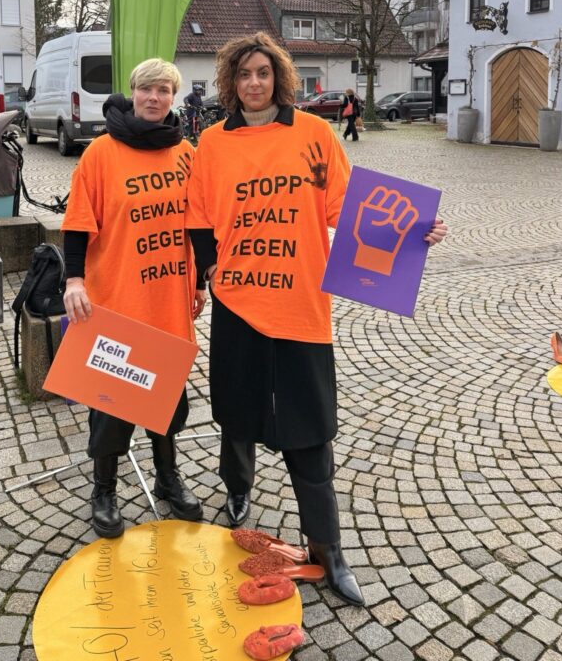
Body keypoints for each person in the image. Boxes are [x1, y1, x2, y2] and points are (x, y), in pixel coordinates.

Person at [186, 32, 446, 606]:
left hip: (301, 305)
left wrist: (409, 234)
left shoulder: (314, 135)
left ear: (280, 77)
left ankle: (327, 548)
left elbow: (350, 212)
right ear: (231, 82)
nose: (255, 83)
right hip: (237, 303)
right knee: (236, 414)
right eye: (245, 74)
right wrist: (208, 271)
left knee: (310, 433)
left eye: (264, 73)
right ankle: (238, 491)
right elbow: (198, 219)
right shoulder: (210, 144)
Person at [61, 58, 207, 538]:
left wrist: (201, 283)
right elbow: (79, 223)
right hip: (118, 298)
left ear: (173, 98)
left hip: (168, 299)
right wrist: (74, 280)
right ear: (132, 91)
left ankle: (168, 479)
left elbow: (199, 223)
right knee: (112, 403)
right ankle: (104, 490)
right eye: (147, 88)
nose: (154, 97)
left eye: (164, 90)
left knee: (166, 401)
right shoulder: (102, 153)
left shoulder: (185, 152)